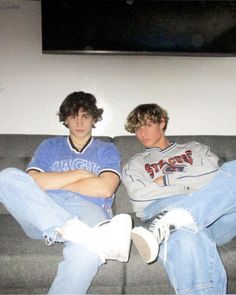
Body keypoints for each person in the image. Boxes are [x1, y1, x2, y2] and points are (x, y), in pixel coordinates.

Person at [0, 91, 132, 294]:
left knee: (85, 255)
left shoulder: (105, 149)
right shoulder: (50, 146)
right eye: (73, 116)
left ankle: (77, 233)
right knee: (6, 176)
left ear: (94, 119)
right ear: (66, 120)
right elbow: (32, 182)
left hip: (90, 210)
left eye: (85, 116)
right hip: (44, 210)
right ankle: (75, 230)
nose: (79, 122)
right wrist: (80, 174)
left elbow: (105, 188)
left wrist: (54, 182)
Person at [122, 103, 236, 294]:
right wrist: (190, 185)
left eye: (147, 125)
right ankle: (177, 220)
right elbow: (139, 197)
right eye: (137, 129)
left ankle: (176, 219)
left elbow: (214, 176)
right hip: (163, 207)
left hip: (214, 214)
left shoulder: (195, 149)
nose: (142, 133)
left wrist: (166, 179)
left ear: (162, 122)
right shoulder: (135, 164)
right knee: (187, 237)